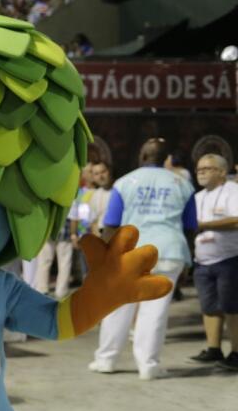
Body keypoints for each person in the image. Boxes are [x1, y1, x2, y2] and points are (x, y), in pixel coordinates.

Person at [91, 138, 196, 379]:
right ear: (167, 159)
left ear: (142, 156)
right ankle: (148, 365)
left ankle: (106, 360)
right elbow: (190, 226)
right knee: (155, 311)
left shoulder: (125, 182)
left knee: (118, 307)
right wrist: (188, 258)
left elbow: (111, 224)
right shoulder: (182, 184)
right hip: (169, 250)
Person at [188, 153, 238, 370]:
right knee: (209, 307)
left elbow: (237, 220)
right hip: (202, 261)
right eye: (199, 169)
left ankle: (236, 353)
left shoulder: (233, 191)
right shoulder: (197, 197)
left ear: (221, 171)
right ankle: (213, 349)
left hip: (229, 259)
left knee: (232, 308)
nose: (201, 172)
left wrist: (205, 225)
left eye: (207, 169)